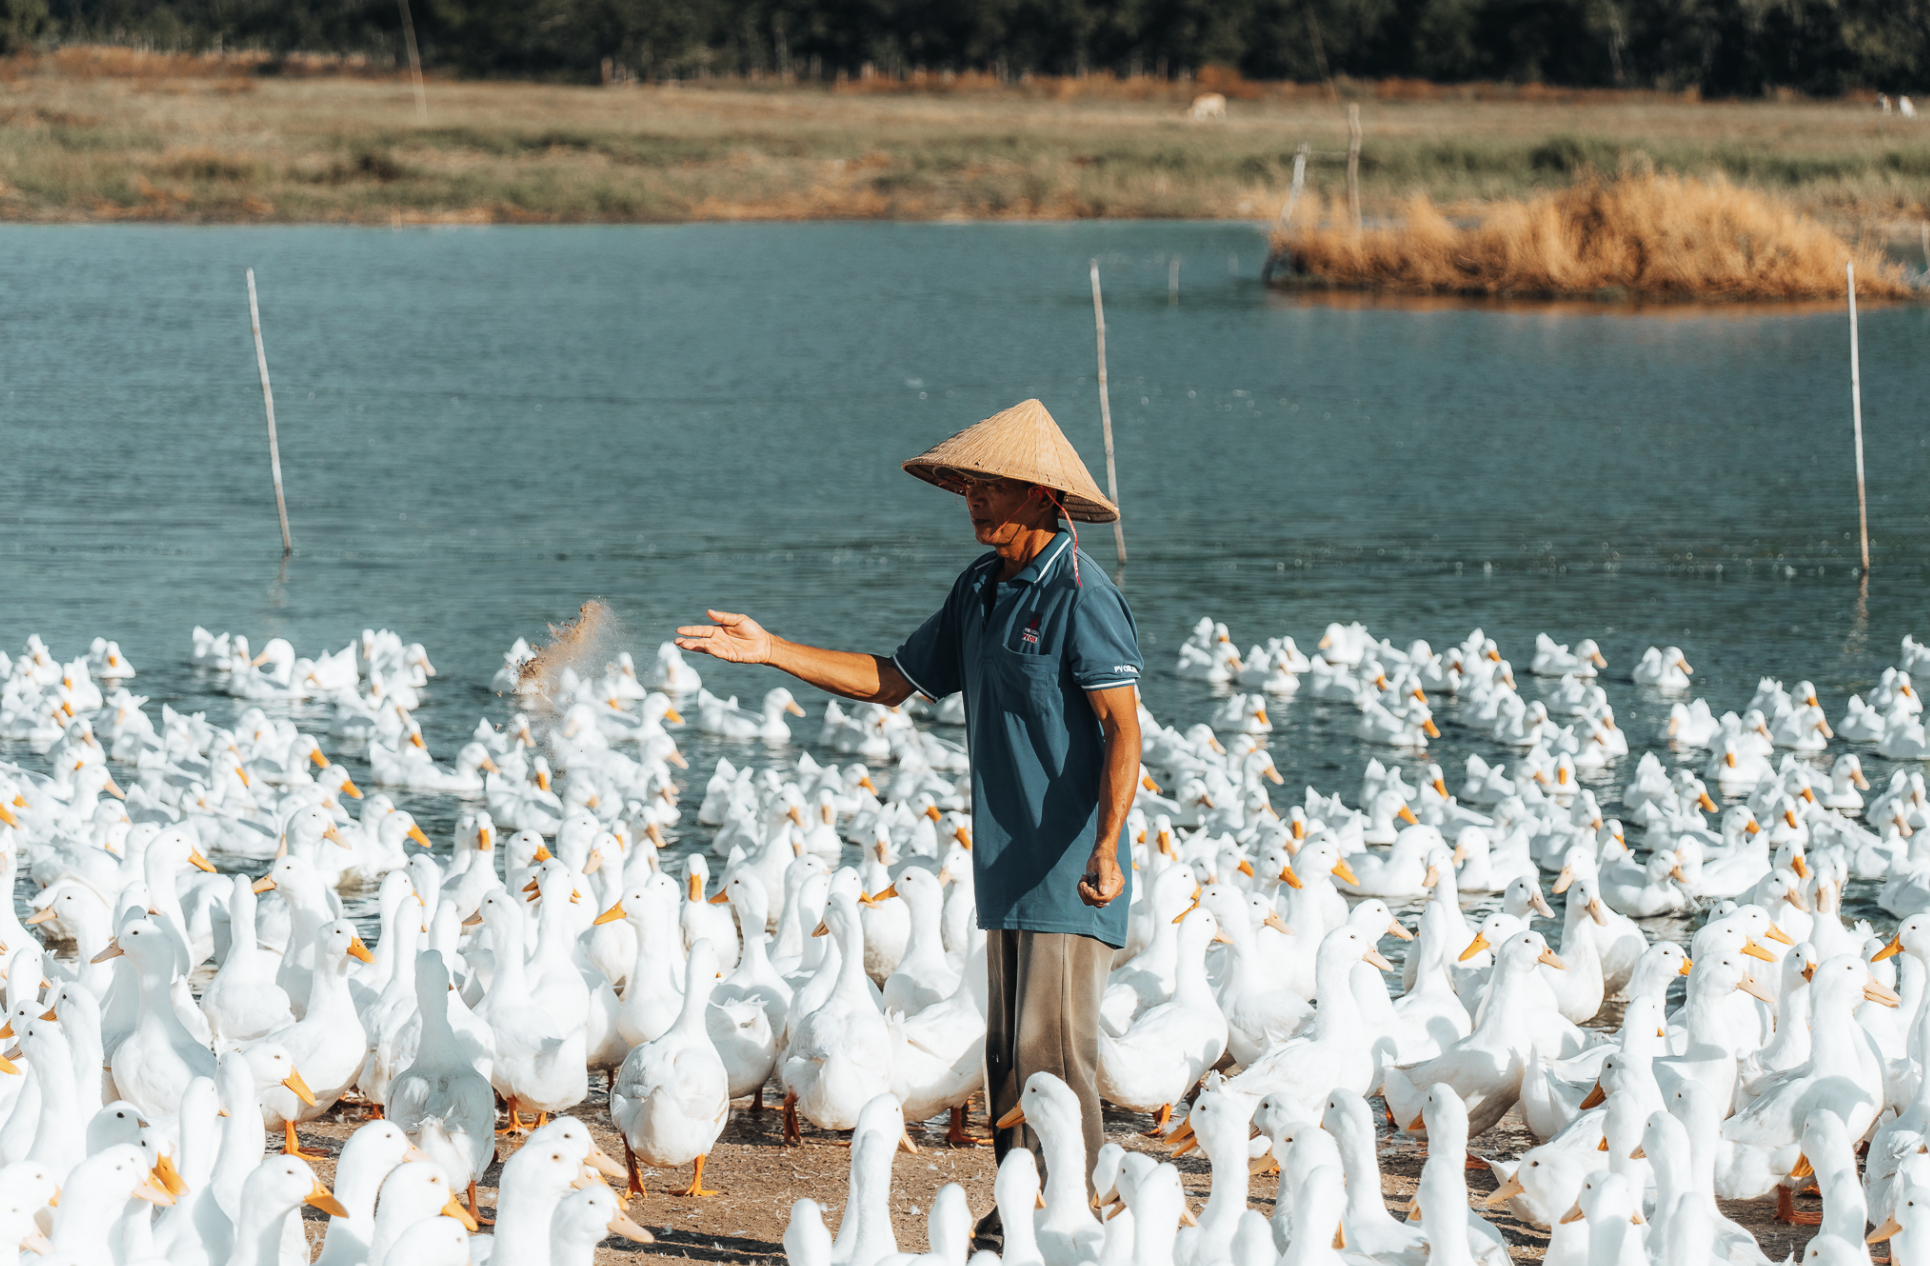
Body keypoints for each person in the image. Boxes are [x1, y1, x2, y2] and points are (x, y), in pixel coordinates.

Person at [674, 398, 1142, 1241]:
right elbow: (892, 679)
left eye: (989, 487)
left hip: (1069, 872)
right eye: (966, 486)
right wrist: (773, 648)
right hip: (1004, 870)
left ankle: (1079, 1226)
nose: (972, 500)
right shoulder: (979, 589)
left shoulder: (1080, 593)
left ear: (1040, 495)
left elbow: (1125, 730)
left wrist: (1107, 847)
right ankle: (1020, 1219)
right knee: (1007, 1064)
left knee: (1053, 1060)